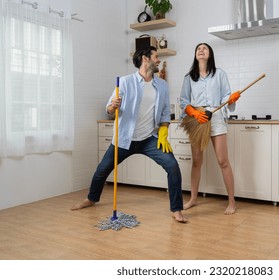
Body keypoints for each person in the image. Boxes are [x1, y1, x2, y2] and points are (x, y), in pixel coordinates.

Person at [71, 46, 187, 223]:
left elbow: (164, 111)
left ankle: (177, 209)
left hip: (150, 138)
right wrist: (113, 106)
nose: (158, 60)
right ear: (145, 59)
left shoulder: (162, 85)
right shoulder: (125, 82)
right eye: (156, 57)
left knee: (172, 166)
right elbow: (109, 109)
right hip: (125, 138)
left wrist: (164, 131)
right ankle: (91, 199)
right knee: (103, 169)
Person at [180, 43, 240, 215]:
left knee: (223, 161)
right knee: (197, 161)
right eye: (198, 48)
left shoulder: (220, 74)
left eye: (204, 48)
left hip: (216, 118)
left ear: (210, 54)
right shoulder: (189, 77)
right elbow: (184, 101)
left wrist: (232, 99)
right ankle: (193, 199)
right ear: (195, 54)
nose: (201, 50)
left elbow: (226, 98)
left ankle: (231, 202)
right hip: (197, 119)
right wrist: (194, 113)